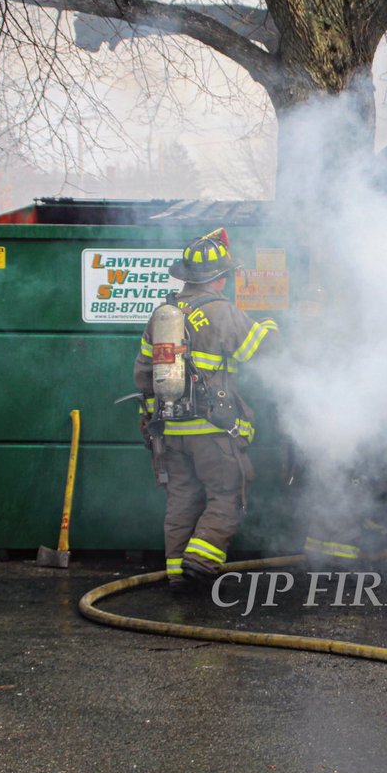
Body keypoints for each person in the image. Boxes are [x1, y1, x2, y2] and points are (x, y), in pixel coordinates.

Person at [133, 228, 278, 592]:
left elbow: (143, 373)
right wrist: (271, 326)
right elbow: (258, 351)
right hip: (212, 429)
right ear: (220, 278)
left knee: (182, 499)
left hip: (169, 431)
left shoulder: (161, 316)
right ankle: (200, 561)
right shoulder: (221, 312)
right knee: (228, 491)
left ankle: (175, 571)